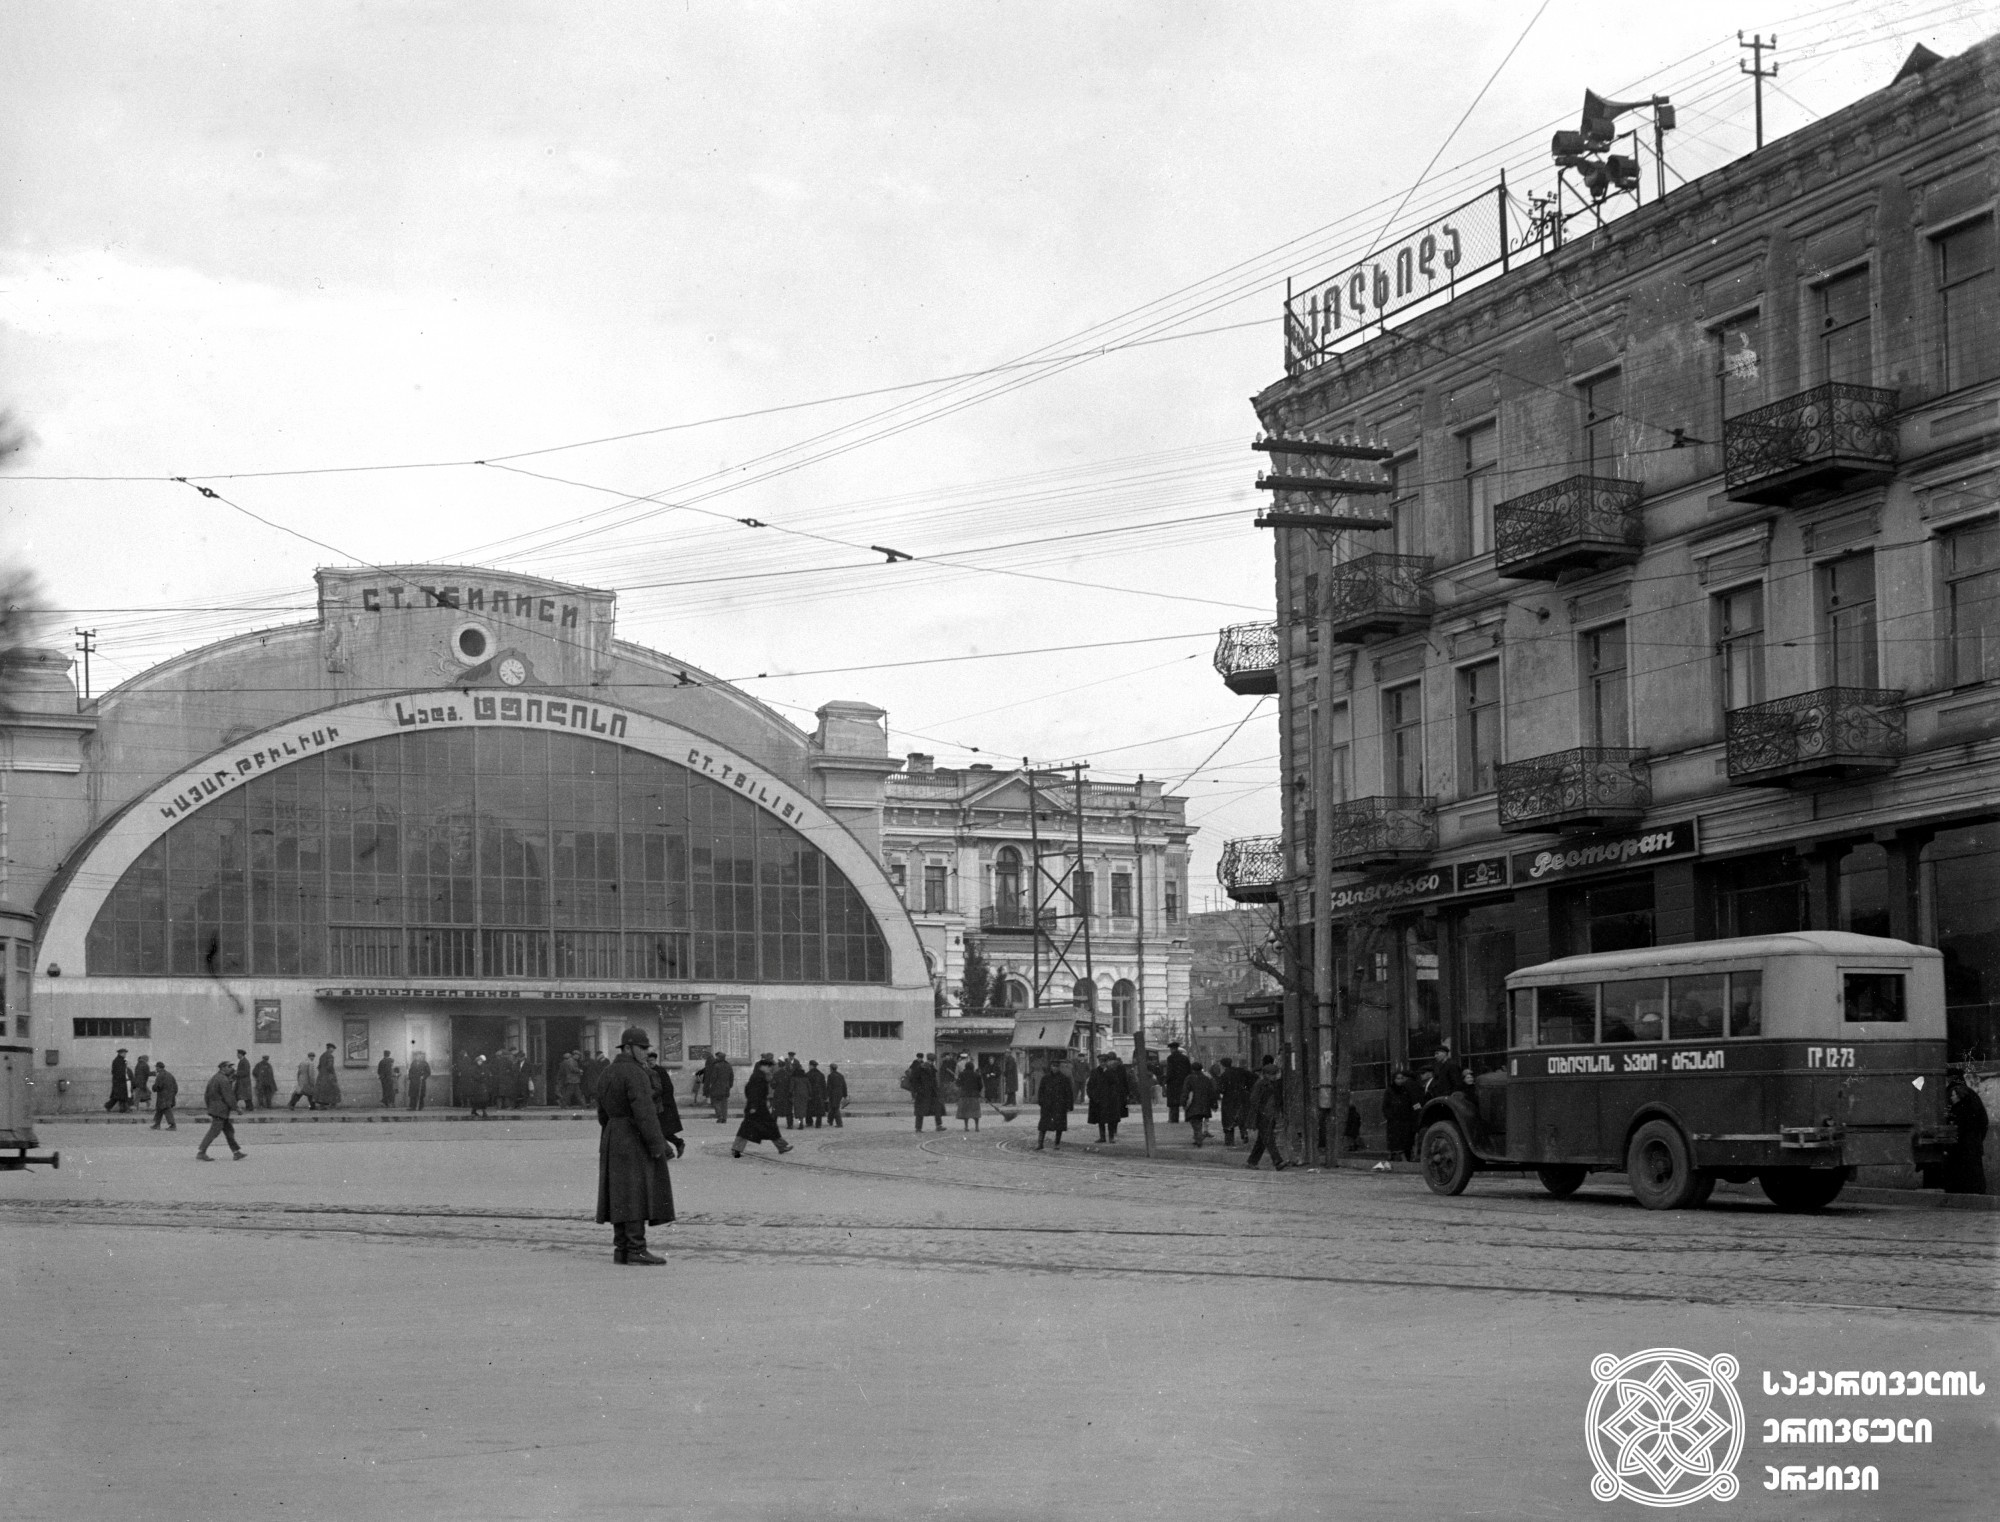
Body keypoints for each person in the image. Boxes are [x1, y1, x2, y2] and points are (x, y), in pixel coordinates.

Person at [596, 1027, 682, 1265]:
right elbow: (645, 1113)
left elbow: (601, 1113)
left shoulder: (607, 1072)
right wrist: (658, 1145)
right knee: (636, 1193)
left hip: (613, 1135)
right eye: (642, 1048)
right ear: (628, 1048)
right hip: (634, 1136)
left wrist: (611, 1134)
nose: (646, 1052)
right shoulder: (636, 1073)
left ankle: (622, 1249)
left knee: (619, 1193)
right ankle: (637, 1249)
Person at [731, 1056, 793, 1158]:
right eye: (769, 1067)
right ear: (763, 1066)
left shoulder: (760, 1076)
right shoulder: (757, 1077)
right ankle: (736, 1149)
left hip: (760, 1107)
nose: (770, 1069)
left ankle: (782, 1147)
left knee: (770, 1126)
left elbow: (751, 1090)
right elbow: (753, 1092)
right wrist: (754, 1106)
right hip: (755, 1108)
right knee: (746, 1129)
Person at [196, 1059, 247, 1162]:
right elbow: (229, 1096)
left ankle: (236, 1152)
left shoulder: (214, 1078)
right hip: (221, 1111)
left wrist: (210, 1107)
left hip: (217, 1109)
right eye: (229, 1066)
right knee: (214, 1132)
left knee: (229, 1131)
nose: (231, 1069)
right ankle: (201, 1152)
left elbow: (207, 1095)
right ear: (223, 1068)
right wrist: (236, 1108)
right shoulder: (223, 1080)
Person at [1245, 1056, 1288, 1171]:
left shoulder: (1272, 1084)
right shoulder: (1261, 1084)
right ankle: (1277, 1161)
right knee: (1268, 1139)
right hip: (1262, 1115)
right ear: (1267, 1075)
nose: (1275, 1076)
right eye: (1273, 1074)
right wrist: (1262, 1111)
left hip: (1269, 1115)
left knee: (1262, 1140)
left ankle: (1252, 1161)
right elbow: (1254, 1100)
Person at [1087, 1052, 1129, 1143]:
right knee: (1100, 1120)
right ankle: (1102, 1137)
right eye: (1101, 1061)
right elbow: (1090, 1085)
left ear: (1107, 1062)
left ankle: (1111, 1137)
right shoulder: (1095, 1072)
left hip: (1110, 1100)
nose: (1102, 1063)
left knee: (1111, 1119)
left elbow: (1116, 1083)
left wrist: (1114, 1096)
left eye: (1104, 1061)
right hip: (1098, 1099)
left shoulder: (1111, 1071)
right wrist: (1093, 1096)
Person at [1383, 1067, 1422, 1160]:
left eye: (1401, 1078)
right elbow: (1385, 1105)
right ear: (1394, 1080)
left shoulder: (1406, 1090)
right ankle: (1395, 1156)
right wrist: (1389, 1116)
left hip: (1405, 1119)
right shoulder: (1389, 1090)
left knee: (1405, 1139)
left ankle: (1405, 1156)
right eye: (1398, 1079)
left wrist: (1415, 1111)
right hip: (1394, 1120)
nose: (1400, 1081)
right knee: (1395, 1140)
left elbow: (1412, 1102)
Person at [1036, 1058, 1075, 1150]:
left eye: (1056, 1066)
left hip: (1059, 1105)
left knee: (1059, 1125)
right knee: (1043, 1125)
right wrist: (1041, 1102)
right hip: (1047, 1105)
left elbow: (1068, 1093)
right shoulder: (1045, 1078)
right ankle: (1040, 1143)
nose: (1055, 1068)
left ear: (1059, 1067)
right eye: (1053, 1066)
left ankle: (1057, 1144)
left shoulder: (1064, 1079)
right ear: (1050, 1067)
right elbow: (1041, 1091)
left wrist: (1069, 1105)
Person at [1218, 1057, 1256, 1146]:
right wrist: (1247, 1088)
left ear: (1223, 1065)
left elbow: (1221, 1089)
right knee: (1241, 1116)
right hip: (1242, 1097)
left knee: (1229, 1119)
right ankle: (1244, 1133)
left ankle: (1229, 1141)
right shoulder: (1240, 1071)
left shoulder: (1224, 1075)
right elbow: (1253, 1077)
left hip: (1229, 1099)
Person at [903, 1054, 942, 1133]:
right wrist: (919, 1090)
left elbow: (934, 1081)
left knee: (937, 1109)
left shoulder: (932, 1068)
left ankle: (938, 1126)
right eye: (931, 1061)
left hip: (932, 1092)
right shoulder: (920, 1068)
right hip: (923, 1093)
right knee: (920, 1111)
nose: (931, 1063)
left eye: (932, 1061)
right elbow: (914, 1080)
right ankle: (918, 1128)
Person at [1181, 1062, 1217, 1147]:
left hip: (1193, 1104)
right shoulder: (1206, 1079)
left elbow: (1185, 1091)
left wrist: (1183, 1102)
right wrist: (1214, 1104)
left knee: (1195, 1121)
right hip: (1204, 1105)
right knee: (1199, 1121)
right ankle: (1198, 1137)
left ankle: (1198, 1138)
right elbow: (1211, 1092)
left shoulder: (1189, 1078)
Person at [1163, 1041, 1192, 1125]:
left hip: (1173, 1084)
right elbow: (1189, 1070)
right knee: (1185, 1101)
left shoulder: (1170, 1058)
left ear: (1172, 1049)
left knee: (1174, 1104)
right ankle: (1188, 1118)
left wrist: (1166, 1080)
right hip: (1184, 1083)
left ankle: (1174, 1120)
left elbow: (1170, 1071)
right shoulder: (1185, 1058)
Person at [701, 1051, 734, 1123]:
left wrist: (710, 1085)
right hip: (726, 1087)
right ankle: (724, 1118)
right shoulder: (728, 1065)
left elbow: (713, 1077)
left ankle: (720, 1116)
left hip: (716, 1087)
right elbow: (731, 1077)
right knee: (724, 1103)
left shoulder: (716, 1066)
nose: (716, 1058)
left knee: (715, 1102)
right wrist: (730, 1085)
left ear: (719, 1057)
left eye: (717, 1057)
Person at [955, 1058, 984, 1132]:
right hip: (974, 1096)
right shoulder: (977, 1075)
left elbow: (958, 1084)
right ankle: (977, 1127)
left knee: (966, 1112)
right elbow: (980, 1086)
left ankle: (966, 1126)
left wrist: (958, 1080)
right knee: (975, 1112)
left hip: (964, 1096)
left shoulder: (962, 1074)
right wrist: (978, 1091)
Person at [150, 1061, 179, 1130]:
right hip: (170, 1095)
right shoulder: (170, 1075)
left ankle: (172, 1125)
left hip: (163, 1096)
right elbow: (176, 1086)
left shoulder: (160, 1075)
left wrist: (153, 1088)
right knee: (160, 1109)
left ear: (158, 1068)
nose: (156, 1069)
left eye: (156, 1067)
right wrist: (173, 1094)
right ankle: (157, 1124)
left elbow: (158, 1086)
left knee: (166, 1109)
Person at [105, 1048, 133, 1113]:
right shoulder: (118, 1061)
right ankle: (122, 1109)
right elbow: (119, 1071)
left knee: (119, 1096)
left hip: (120, 1081)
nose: (125, 1054)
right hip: (119, 1081)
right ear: (121, 1053)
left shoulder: (120, 1060)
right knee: (119, 1096)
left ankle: (122, 1108)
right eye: (124, 1053)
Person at [315, 1044, 341, 1109]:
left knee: (322, 1090)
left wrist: (322, 1073)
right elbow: (330, 1067)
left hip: (321, 1076)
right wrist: (332, 1074)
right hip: (329, 1076)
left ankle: (322, 1105)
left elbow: (319, 1066)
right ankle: (333, 1105)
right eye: (333, 1048)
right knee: (334, 1089)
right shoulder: (330, 1056)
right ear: (329, 1048)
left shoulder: (322, 1056)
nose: (333, 1050)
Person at [787, 1059, 810, 1131]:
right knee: (803, 1110)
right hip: (805, 1095)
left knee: (798, 1110)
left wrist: (789, 1095)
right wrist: (810, 1095)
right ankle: (801, 1122)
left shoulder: (794, 1078)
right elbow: (809, 1087)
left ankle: (800, 1123)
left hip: (797, 1095)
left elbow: (791, 1088)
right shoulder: (805, 1078)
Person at [804, 1060, 827, 1128]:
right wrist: (825, 1096)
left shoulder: (807, 1075)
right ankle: (818, 1123)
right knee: (819, 1110)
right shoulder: (821, 1075)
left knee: (808, 1109)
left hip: (810, 1094)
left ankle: (809, 1122)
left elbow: (806, 1086)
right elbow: (824, 1086)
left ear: (811, 1066)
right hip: (819, 1095)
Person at [824, 1062, 847, 1127]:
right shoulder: (840, 1075)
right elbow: (844, 1086)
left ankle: (839, 1123)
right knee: (834, 1108)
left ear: (831, 1068)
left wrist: (826, 1096)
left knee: (834, 1108)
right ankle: (830, 1120)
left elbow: (829, 1087)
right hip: (839, 1094)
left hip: (833, 1094)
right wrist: (845, 1095)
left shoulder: (830, 1076)